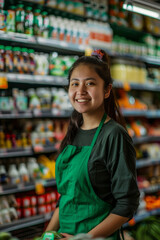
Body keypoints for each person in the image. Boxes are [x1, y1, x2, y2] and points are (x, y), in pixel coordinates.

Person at [46, 49, 140, 240]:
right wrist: (47, 233)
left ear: (106, 90)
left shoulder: (114, 135)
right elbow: (66, 196)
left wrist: (84, 239)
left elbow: (127, 205)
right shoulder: (73, 131)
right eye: (75, 84)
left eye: (90, 83)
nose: (81, 91)